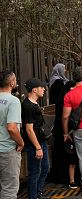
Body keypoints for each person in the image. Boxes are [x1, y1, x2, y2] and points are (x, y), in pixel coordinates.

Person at [49, 80, 80, 187]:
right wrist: (66, 132)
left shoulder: (61, 99)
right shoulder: (66, 100)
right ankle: (69, 178)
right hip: (65, 131)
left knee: (62, 155)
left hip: (59, 131)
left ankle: (62, 176)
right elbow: (66, 117)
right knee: (69, 155)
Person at [22, 78, 49, 199]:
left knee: (45, 168)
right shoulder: (27, 106)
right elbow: (29, 129)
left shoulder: (35, 103)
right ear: (34, 90)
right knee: (35, 172)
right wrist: (38, 147)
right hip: (35, 145)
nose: (44, 89)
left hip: (41, 142)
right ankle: (33, 196)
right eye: (41, 87)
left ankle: (38, 193)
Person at [0, 70, 24, 199]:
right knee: (9, 190)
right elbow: (12, 128)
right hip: (7, 151)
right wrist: (21, 142)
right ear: (11, 83)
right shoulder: (13, 101)